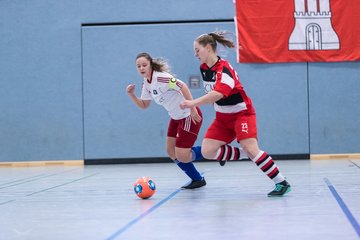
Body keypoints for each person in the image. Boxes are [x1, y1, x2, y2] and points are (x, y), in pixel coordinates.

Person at [180, 31, 291, 196]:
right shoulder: (204, 68)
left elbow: (218, 94)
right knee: (207, 151)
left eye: (197, 50)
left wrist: (193, 103)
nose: (195, 54)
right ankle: (246, 153)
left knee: (252, 148)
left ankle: (281, 183)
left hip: (241, 115)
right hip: (222, 118)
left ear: (209, 48)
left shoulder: (224, 69)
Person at [126, 52, 206, 189]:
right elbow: (144, 105)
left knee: (182, 154)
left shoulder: (161, 78)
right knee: (171, 152)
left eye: (144, 65)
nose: (141, 68)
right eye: (138, 66)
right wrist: (131, 94)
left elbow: (183, 86)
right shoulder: (146, 83)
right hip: (175, 118)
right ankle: (197, 179)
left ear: (151, 64)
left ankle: (215, 150)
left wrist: (192, 107)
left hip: (188, 115)